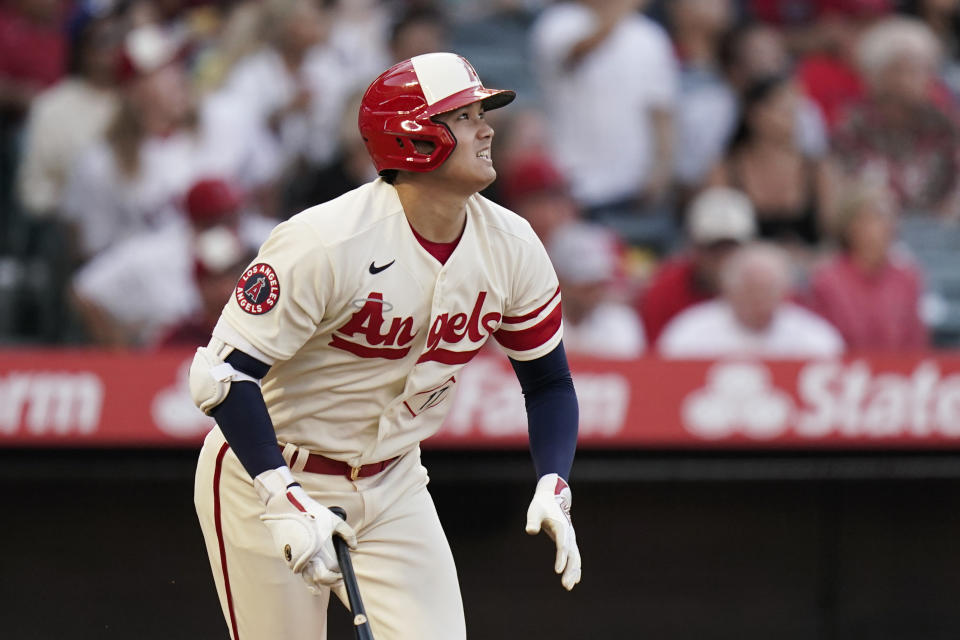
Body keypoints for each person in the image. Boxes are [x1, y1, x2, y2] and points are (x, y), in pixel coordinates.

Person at [191, 52, 582, 640]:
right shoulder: (324, 241)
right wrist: (283, 496)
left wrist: (554, 479)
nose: (487, 127)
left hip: (394, 480)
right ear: (415, 138)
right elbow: (222, 377)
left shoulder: (512, 243)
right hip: (269, 472)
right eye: (465, 115)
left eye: (483, 113)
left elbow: (548, 380)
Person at [708, 73, 837, 246]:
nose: (791, 118)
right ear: (754, 115)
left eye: (794, 110)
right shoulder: (724, 171)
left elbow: (832, 237)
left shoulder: (818, 170)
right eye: (782, 110)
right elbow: (716, 237)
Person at [658, 242, 845, 358]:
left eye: (767, 291)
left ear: (784, 293)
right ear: (729, 290)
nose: (759, 300)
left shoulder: (814, 337)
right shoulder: (690, 333)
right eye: (750, 290)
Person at [808, 180, 928, 351]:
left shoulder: (908, 278)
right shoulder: (827, 280)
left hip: (897, 373)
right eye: (876, 217)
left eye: (890, 217)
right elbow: (819, 340)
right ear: (851, 225)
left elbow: (916, 340)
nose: (887, 225)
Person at [639, 186, 756, 347]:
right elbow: (653, 354)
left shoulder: (765, 289)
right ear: (694, 248)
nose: (723, 260)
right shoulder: (666, 290)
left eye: (730, 249)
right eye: (713, 249)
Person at [548, 222, 645, 358]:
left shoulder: (621, 322)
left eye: (598, 281)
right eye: (584, 281)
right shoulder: (533, 323)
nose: (593, 289)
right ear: (558, 278)